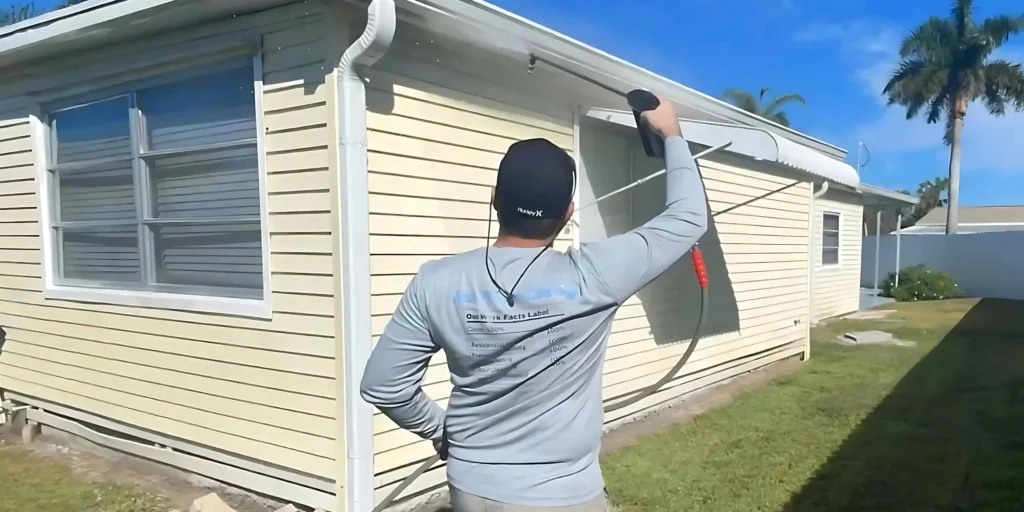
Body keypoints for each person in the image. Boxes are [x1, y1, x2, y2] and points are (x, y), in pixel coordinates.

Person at [360, 93, 708, 511]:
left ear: (494, 198)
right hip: (565, 496)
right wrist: (671, 132)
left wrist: (443, 431)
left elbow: (383, 385)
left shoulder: (436, 282)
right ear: (568, 213)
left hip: (473, 489)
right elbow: (687, 218)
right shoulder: (596, 274)